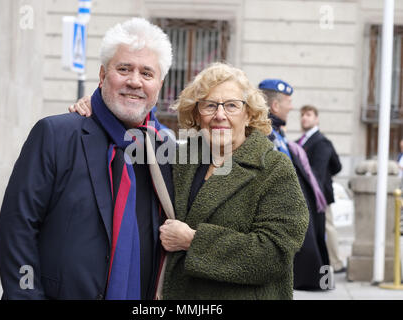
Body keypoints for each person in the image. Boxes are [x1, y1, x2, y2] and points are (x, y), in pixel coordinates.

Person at [71, 63, 309, 299]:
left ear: (248, 114)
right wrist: (98, 109)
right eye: (209, 106)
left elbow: (275, 254)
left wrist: (192, 241)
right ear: (196, 114)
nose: (219, 115)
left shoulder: (273, 167)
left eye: (232, 106)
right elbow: (136, 135)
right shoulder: (183, 157)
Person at [0, 18, 174, 300]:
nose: (134, 81)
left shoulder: (164, 154)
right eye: (124, 69)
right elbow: (18, 226)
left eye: (146, 73)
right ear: (103, 75)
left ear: (159, 85)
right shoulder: (55, 134)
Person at [259, 79, 330, 290]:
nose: (292, 107)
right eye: (288, 101)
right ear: (275, 106)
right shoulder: (264, 132)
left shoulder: (278, 132)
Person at [298, 105, 344, 273]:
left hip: (320, 195)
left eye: (308, 115)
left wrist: (325, 179)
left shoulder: (321, 141)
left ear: (316, 119)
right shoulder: (300, 141)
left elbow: (327, 168)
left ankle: (335, 263)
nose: (304, 118)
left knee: (327, 227)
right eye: (302, 115)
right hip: (308, 194)